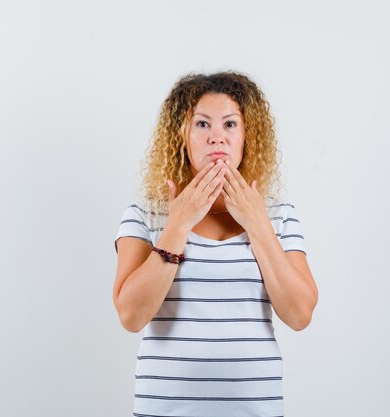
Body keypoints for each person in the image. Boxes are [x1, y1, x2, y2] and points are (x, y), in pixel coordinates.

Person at [113, 71, 318, 417]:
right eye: (202, 125)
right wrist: (178, 224)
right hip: (163, 409)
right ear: (182, 136)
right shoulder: (145, 215)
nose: (217, 138)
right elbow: (131, 316)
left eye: (230, 124)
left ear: (247, 136)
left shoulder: (279, 216)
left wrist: (257, 224)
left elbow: (299, 315)